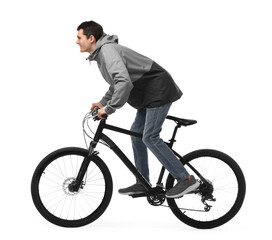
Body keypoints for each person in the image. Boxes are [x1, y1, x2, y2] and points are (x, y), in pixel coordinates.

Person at [76, 20, 199, 198]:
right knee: (137, 133)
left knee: (149, 136)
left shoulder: (107, 51)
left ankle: (186, 180)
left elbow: (123, 82)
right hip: (147, 94)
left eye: (79, 37)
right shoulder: (102, 54)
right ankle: (143, 182)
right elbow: (116, 83)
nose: (77, 41)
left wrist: (110, 108)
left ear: (91, 38)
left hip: (158, 89)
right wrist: (103, 102)